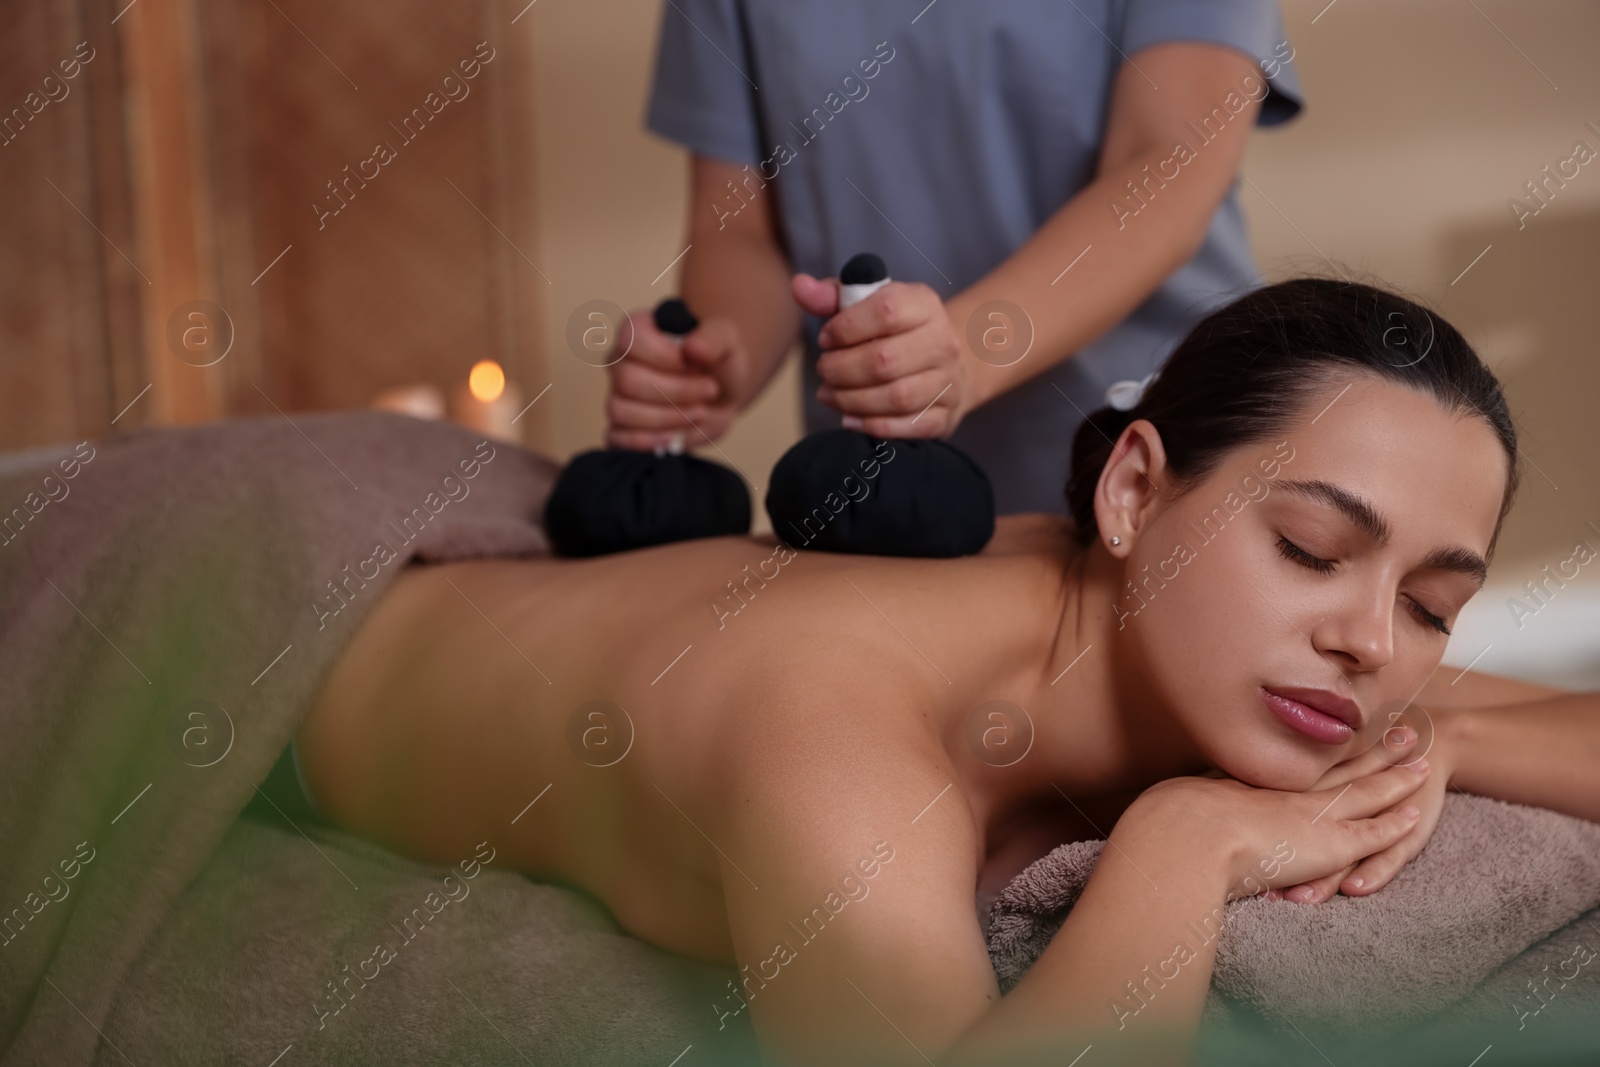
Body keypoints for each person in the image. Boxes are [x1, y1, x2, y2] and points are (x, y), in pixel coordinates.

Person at [290, 280, 1595, 1065]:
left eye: (1432, 604)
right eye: (1313, 547)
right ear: (1135, 490)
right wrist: (1188, 844)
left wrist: (1450, 744)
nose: (1376, 642)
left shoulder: (1213, 633)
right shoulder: (837, 725)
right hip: (315, 641)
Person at [604, 1, 1305, 516]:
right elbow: (741, 230)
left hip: (1168, 464)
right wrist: (715, 360)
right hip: (884, 500)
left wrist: (965, 352)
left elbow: (1168, 163)